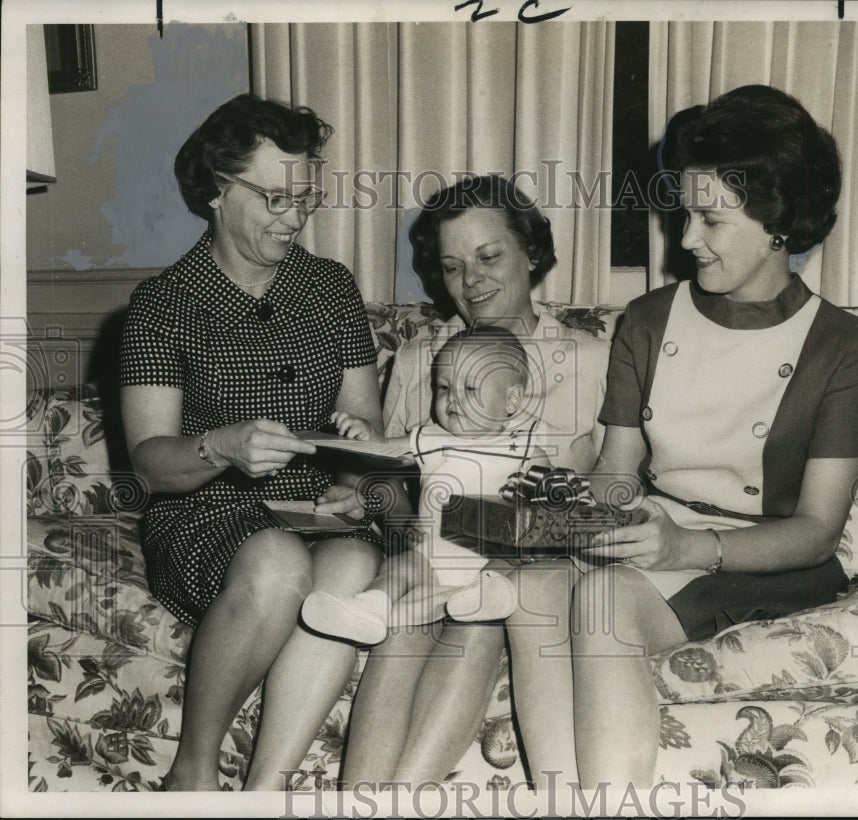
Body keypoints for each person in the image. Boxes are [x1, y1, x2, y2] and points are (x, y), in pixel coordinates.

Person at [563, 84, 858, 788]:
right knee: (540, 595)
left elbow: (817, 531)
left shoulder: (845, 346)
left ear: (778, 219)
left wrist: (687, 547)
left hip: (765, 564)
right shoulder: (646, 320)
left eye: (710, 218)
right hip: (661, 541)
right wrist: (583, 512)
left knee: (595, 603)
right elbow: (619, 468)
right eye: (684, 214)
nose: (685, 240)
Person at [119, 93, 386, 791]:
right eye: (274, 198)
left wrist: (353, 478)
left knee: (354, 562)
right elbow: (149, 465)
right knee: (275, 561)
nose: (294, 217)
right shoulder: (162, 304)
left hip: (311, 513)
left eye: (305, 198)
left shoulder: (330, 287)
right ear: (215, 191)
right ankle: (194, 772)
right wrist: (219, 446)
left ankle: (265, 792)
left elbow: (367, 425)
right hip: (202, 512)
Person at [340, 174, 610, 788]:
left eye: (490, 257)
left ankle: (398, 800)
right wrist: (400, 524)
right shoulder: (419, 356)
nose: (472, 282)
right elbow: (392, 477)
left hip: (542, 561)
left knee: (481, 609)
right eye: (453, 266)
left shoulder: (593, 359)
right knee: (404, 621)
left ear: (532, 253)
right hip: (436, 546)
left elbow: (608, 491)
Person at [301, 327, 554, 641]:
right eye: (444, 387)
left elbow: (551, 499)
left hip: (489, 560)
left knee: (505, 567)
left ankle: (487, 597)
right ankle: (369, 608)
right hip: (431, 561)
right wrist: (365, 434)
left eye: (470, 388)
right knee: (400, 566)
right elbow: (386, 449)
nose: (452, 399)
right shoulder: (433, 438)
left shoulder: (526, 448)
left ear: (512, 399)